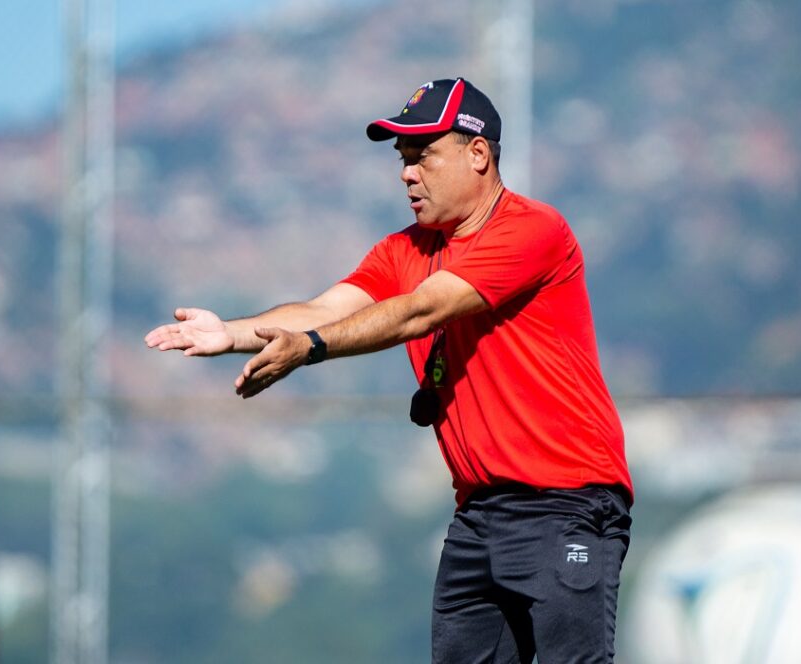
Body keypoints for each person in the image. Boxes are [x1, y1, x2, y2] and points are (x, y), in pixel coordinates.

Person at [145, 77, 633, 664]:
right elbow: (325, 308)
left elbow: (419, 310)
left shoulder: (532, 230)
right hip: (478, 513)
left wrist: (311, 347)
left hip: (565, 503)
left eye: (423, 156)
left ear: (478, 154)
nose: (407, 174)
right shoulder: (404, 250)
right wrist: (230, 334)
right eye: (402, 160)